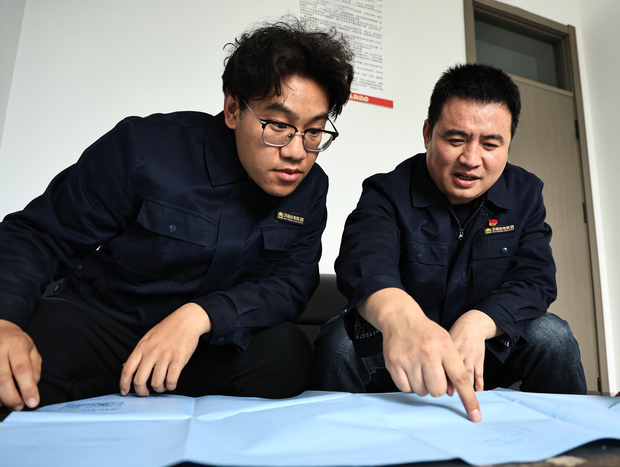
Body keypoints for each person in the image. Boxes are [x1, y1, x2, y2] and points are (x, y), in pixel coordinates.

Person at [0, 19, 353, 411]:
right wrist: (4, 320)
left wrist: (200, 316)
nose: (296, 152)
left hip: (202, 348)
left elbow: (291, 283)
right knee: (38, 335)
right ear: (233, 108)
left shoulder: (310, 187)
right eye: (278, 125)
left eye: (313, 131)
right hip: (106, 330)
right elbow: (40, 236)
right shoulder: (144, 147)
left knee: (286, 352)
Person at [311, 63, 586, 422]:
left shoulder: (525, 193)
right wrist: (405, 320)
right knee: (339, 344)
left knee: (555, 338)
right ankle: (332, 441)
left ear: (508, 144)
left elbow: (535, 279)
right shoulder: (387, 192)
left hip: (486, 346)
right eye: (455, 140)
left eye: (490, 144)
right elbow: (364, 261)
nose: (471, 160)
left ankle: (574, 438)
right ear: (428, 133)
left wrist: (480, 322)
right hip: (402, 345)